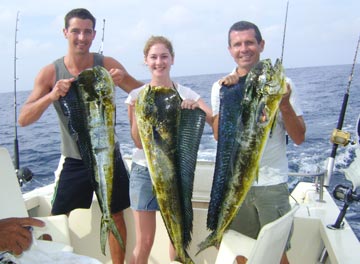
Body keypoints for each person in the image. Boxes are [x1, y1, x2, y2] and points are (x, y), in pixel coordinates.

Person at [18, 8, 143, 264]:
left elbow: (143, 92)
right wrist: (52, 95)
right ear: (65, 32)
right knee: (56, 219)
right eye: (76, 30)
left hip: (109, 156)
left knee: (116, 215)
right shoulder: (50, 73)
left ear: (94, 34)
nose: (81, 37)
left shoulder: (107, 64)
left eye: (87, 31)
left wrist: (123, 79)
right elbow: (24, 119)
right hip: (74, 160)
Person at [211, 21, 306, 264]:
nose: (244, 49)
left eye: (250, 42)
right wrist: (227, 99)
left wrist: (283, 102)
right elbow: (220, 137)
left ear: (261, 45)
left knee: (276, 254)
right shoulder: (221, 87)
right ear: (230, 49)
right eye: (237, 44)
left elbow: (299, 137)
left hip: (271, 184)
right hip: (237, 184)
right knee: (241, 252)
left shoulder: (284, 86)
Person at [125, 35, 212, 264]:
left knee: (177, 237)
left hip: (175, 173)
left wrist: (195, 109)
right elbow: (137, 142)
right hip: (144, 172)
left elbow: (212, 119)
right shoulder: (136, 96)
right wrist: (138, 112)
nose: (159, 62)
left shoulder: (186, 93)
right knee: (144, 241)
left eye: (164, 56)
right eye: (153, 57)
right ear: (146, 60)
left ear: (172, 59)